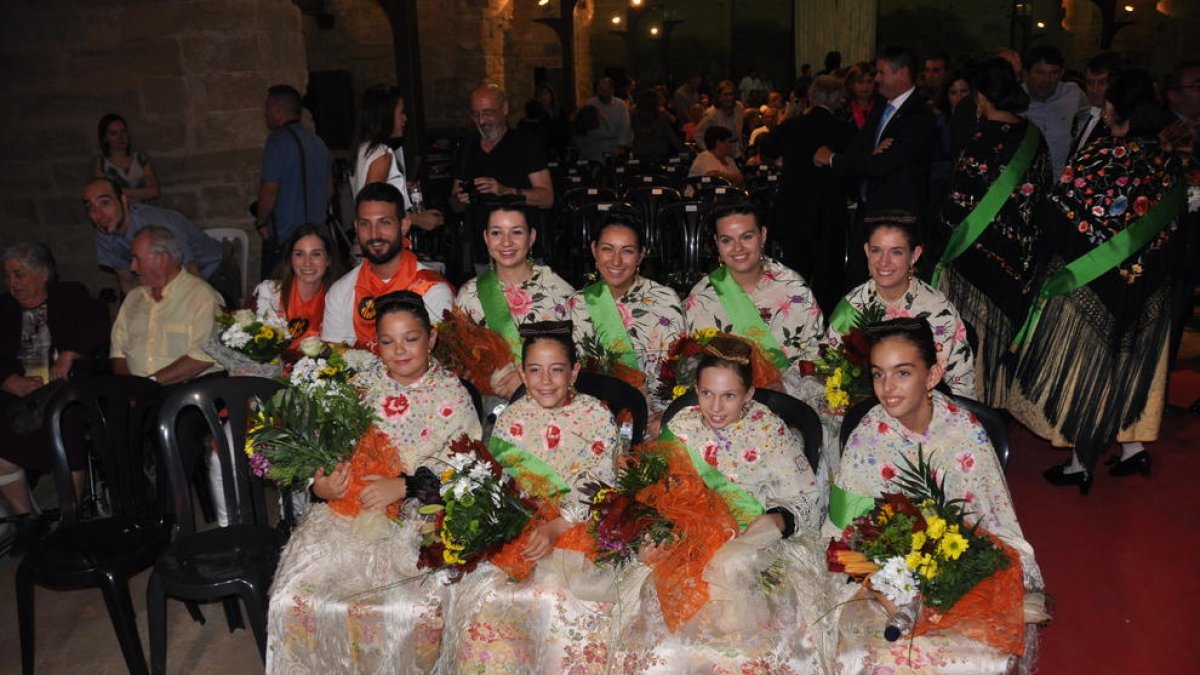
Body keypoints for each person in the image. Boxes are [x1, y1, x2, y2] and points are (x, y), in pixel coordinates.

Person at [266, 291, 482, 673]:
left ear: (431, 339)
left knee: (409, 610)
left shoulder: (453, 395)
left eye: (411, 339)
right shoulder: (356, 389)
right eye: (387, 341)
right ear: (375, 344)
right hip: (345, 515)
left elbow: (469, 475)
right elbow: (322, 457)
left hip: (420, 522)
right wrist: (321, 487)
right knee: (293, 597)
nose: (399, 350)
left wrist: (407, 485)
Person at [827, 317, 1045, 673]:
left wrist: (944, 575)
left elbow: (992, 523)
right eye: (878, 373)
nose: (887, 387)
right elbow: (846, 531)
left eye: (902, 373)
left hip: (960, 568)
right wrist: (886, 583)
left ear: (931, 375)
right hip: (879, 575)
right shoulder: (868, 434)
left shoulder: (964, 435)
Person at [1009, 68, 1184, 492]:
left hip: (1091, 284)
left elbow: (1060, 213)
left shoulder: (1102, 154)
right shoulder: (1166, 160)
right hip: (1149, 285)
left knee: (1088, 372)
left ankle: (1079, 462)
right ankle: (1130, 450)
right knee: (1130, 366)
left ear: (1114, 109)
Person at [615, 336, 823, 671]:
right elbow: (657, 488)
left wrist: (776, 521)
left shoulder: (769, 430)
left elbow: (805, 498)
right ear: (695, 388)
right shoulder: (681, 427)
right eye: (707, 393)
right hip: (687, 543)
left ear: (748, 395)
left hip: (752, 548)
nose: (715, 407)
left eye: (729, 396)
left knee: (737, 613)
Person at [437, 321, 622, 672]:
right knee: (484, 598)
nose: (546, 380)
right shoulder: (510, 420)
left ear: (575, 371)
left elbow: (600, 487)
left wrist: (555, 528)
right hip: (520, 534)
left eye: (557, 370)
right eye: (535, 370)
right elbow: (501, 485)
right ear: (522, 372)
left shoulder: (597, 417)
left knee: (561, 602)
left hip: (577, 533)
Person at [934, 57, 1054, 408]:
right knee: (1003, 338)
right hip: (1020, 260)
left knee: (972, 338)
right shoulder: (1034, 137)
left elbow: (958, 205)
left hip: (975, 260)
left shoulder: (981, 139)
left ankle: (971, 404)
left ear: (981, 97)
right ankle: (1000, 403)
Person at [0, 243, 107, 547]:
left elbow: (99, 326)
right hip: (22, 393)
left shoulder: (70, 296)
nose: (12, 283)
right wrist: (10, 380)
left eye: (19, 274)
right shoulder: (4, 308)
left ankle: (68, 516)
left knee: (67, 421)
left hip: (65, 388)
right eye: (7, 276)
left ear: (43, 274)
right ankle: (26, 519)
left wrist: (71, 352)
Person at [814, 46, 937, 286]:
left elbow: (882, 165)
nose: (876, 80)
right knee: (858, 282)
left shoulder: (919, 115)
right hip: (867, 211)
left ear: (901, 73)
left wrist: (833, 159)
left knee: (889, 287)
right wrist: (871, 155)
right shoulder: (881, 105)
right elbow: (859, 149)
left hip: (897, 218)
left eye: (881, 73)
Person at [684, 201, 825, 398]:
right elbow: (690, 363)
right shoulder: (701, 297)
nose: (737, 248)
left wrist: (786, 386)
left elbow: (817, 354)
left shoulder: (795, 291)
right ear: (716, 242)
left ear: (763, 235)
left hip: (785, 401)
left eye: (747, 237)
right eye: (726, 240)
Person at [829, 212, 975, 398]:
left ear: (914, 255)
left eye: (896, 252)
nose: (884, 261)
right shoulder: (851, 309)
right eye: (876, 250)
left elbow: (961, 384)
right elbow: (831, 375)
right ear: (866, 251)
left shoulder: (938, 312)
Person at [569, 213, 685, 429]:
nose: (616, 261)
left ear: (641, 255)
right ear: (594, 250)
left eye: (627, 251)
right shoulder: (577, 304)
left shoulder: (664, 300)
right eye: (607, 249)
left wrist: (666, 415)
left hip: (653, 417)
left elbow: (679, 372)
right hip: (592, 416)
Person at [454, 204, 573, 398]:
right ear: (486, 237)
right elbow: (460, 360)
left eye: (516, 232)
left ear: (531, 237)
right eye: (496, 233)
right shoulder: (469, 294)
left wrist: (526, 378)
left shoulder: (559, 292)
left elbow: (576, 360)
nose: (506, 242)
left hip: (549, 401)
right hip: (490, 407)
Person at [322, 182, 454, 349]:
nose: (374, 234)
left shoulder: (433, 290)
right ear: (356, 227)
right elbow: (333, 362)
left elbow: (440, 365)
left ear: (404, 225)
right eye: (365, 224)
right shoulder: (340, 292)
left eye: (384, 223)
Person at [83, 177, 239, 305]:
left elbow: (192, 276)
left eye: (104, 203)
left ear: (123, 200)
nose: (98, 214)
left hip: (213, 270)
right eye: (90, 207)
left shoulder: (158, 225)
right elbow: (127, 281)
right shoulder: (104, 232)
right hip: (169, 279)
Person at [773, 74, 856, 312]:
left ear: (810, 97)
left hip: (794, 212)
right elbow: (852, 169)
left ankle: (793, 326)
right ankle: (825, 331)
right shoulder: (844, 130)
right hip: (829, 214)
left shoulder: (791, 126)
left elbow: (767, 146)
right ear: (838, 99)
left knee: (794, 276)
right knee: (828, 279)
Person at [110, 226, 222, 384]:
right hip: (138, 397)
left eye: (137, 259)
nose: (132, 267)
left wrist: (149, 386)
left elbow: (202, 358)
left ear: (161, 258)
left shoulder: (202, 296)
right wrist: (131, 391)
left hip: (187, 396)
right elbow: (118, 354)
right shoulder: (133, 299)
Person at [255, 84, 334, 277]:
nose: (265, 113)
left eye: (267, 108)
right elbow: (330, 190)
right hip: (316, 237)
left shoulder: (277, 142)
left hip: (286, 241)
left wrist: (261, 222)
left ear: (276, 109)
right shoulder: (318, 142)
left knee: (278, 295)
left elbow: (270, 189)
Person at [351, 85, 444, 232]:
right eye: (401, 113)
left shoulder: (364, 148)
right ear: (386, 115)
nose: (405, 119)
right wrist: (417, 219)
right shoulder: (382, 154)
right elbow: (373, 206)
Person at [249, 224, 341, 351]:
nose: (307, 263)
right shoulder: (269, 293)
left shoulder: (339, 299)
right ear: (291, 259)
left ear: (328, 260)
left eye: (316, 254)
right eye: (299, 254)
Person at [1022, 45, 1091, 173]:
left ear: (1061, 73)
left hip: (1061, 175)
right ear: (1026, 74)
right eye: (1040, 73)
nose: (1047, 80)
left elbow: (1089, 116)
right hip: (1024, 177)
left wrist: (1079, 143)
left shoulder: (1073, 93)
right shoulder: (1015, 99)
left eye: (1053, 73)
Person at [1067, 52, 1123, 163]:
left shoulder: (1120, 122)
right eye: (1090, 83)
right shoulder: (1086, 115)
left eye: (1102, 83)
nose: (1094, 89)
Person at [93, 113, 160, 202]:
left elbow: (154, 192)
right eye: (114, 133)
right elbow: (104, 194)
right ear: (105, 138)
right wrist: (141, 193)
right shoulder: (101, 164)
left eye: (123, 132)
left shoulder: (140, 158)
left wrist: (120, 191)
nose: (120, 137)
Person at [694, 80, 747, 159]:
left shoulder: (739, 108)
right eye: (725, 95)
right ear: (719, 96)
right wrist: (710, 153)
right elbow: (698, 136)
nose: (728, 98)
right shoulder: (711, 113)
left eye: (730, 94)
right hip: (719, 155)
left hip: (737, 151)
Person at [631, 90, 685, 163]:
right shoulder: (660, 117)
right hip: (658, 155)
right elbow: (671, 136)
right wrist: (684, 149)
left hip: (639, 154)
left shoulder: (635, 117)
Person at [585, 77, 632, 159]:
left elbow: (624, 125)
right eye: (600, 89)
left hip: (614, 145)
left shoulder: (620, 105)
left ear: (611, 90)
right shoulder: (591, 104)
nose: (601, 92)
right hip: (596, 145)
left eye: (604, 89)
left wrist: (621, 145)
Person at [842, 62, 880, 132]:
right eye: (860, 82)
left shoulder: (880, 107)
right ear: (851, 84)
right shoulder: (843, 110)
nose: (865, 86)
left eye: (869, 81)